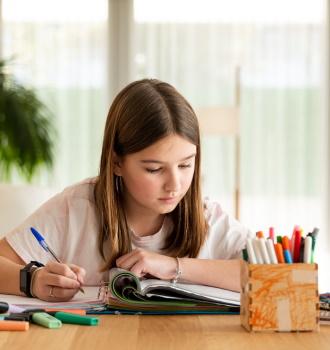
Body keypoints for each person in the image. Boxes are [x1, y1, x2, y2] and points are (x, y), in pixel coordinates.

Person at [0, 79, 251, 302]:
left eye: (186, 164)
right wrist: (32, 281)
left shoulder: (206, 216)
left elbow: (273, 271)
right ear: (117, 162)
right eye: (154, 169)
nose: (175, 184)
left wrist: (176, 267)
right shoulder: (76, 207)